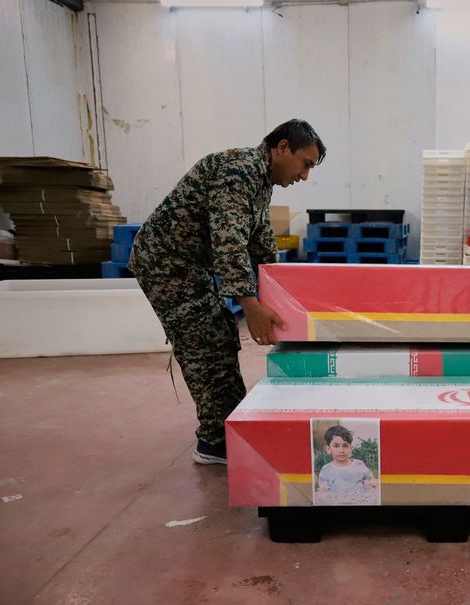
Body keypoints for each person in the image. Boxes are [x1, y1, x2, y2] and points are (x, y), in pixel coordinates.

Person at [129, 119, 326, 465]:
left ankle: (228, 428)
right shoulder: (238, 171)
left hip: (192, 265)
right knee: (205, 344)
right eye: (305, 164)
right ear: (282, 148)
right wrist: (250, 305)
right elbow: (229, 242)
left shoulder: (261, 181)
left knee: (219, 336)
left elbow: (260, 240)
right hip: (166, 262)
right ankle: (214, 442)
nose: (305, 175)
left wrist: (284, 292)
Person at [316, 425, 378, 504]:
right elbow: (323, 486)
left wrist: (372, 482)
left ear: (351, 449)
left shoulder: (359, 464)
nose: (341, 450)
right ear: (328, 449)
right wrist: (324, 488)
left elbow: (370, 477)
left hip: (358, 500)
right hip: (337, 501)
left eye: (345, 446)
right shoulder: (326, 469)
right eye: (336, 446)